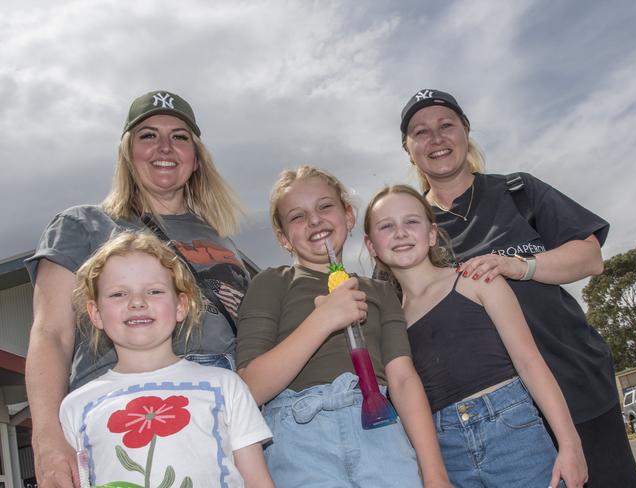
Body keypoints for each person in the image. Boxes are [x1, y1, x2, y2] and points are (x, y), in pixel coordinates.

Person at [396, 88, 636, 487]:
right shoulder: (410, 229)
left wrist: (520, 266)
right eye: (421, 132)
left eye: (447, 125)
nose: (436, 138)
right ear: (409, 150)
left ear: (466, 131)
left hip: (574, 383)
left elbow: (589, 257)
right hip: (495, 423)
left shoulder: (517, 191)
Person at [25, 90, 249, 488]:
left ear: (196, 158)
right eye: (148, 135)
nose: (165, 147)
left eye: (180, 136)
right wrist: (46, 437)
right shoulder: (83, 225)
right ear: (127, 153)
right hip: (122, 410)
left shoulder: (227, 244)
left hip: (225, 409)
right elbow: (51, 333)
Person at [235, 165, 451, 488]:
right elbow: (248, 389)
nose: (314, 220)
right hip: (300, 440)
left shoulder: (379, 291)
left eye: (325, 207)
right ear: (283, 238)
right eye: (297, 216)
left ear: (348, 216)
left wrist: (435, 475)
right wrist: (323, 321)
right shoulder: (272, 283)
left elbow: (403, 380)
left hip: (380, 432)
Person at [364, 184, 588, 487]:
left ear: (432, 233)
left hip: (515, 437)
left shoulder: (476, 280)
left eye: (411, 222)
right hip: (448, 456)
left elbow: (529, 362)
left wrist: (569, 443)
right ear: (371, 245)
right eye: (386, 226)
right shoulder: (391, 323)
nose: (400, 233)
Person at [61, 231, 273, 487]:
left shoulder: (226, 386)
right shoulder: (76, 407)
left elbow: (258, 481)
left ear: (181, 306)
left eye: (154, 291)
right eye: (118, 294)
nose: (137, 302)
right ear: (95, 313)